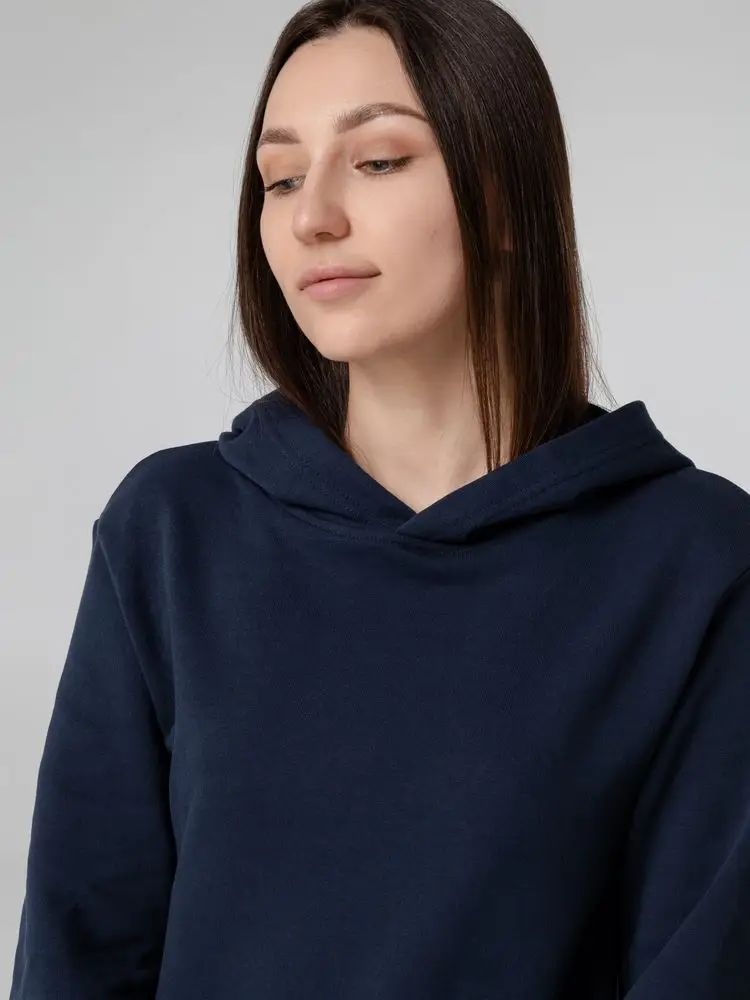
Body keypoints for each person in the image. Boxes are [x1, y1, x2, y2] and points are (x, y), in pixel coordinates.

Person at [9, 1, 750, 997]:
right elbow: (79, 951)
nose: (310, 215)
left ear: (505, 198)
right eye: (280, 177)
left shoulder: (697, 562)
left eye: (379, 160)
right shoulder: (172, 531)